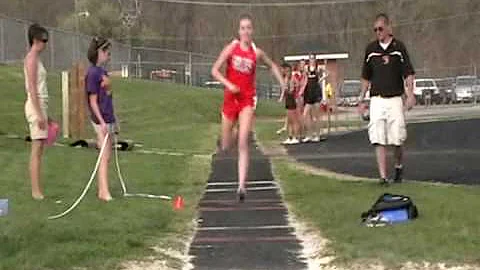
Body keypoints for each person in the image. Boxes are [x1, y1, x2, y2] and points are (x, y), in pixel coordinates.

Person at [211, 13, 285, 202]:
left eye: (248, 28)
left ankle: (241, 186)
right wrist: (229, 85)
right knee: (226, 146)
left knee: (244, 141)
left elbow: (272, 65)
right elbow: (214, 70)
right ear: (239, 31)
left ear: (252, 31)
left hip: (247, 100)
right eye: (242, 28)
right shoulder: (232, 48)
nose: (246, 31)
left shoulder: (256, 52)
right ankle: (231, 134)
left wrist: (282, 83)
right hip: (230, 98)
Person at [358, 13, 416, 184]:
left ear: (389, 28)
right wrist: (361, 99)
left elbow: (408, 74)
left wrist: (410, 95)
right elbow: (365, 77)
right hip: (377, 99)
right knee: (378, 137)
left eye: (381, 29)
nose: (378, 32)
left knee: (397, 139)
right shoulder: (370, 50)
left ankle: (398, 166)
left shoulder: (399, 48)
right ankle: (383, 177)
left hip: (395, 98)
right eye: (375, 30)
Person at [85, 37, 116, 201]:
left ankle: (102, 190)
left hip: (108, 116)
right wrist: (102, 122)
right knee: (104, 154)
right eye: (106, 52)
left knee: (108, 154)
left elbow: (108, 96)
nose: (108, 56)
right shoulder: (92, 73)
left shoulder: (103, 72)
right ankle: (104, 192)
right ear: (99, 52)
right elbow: (92, 101)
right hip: (100, 119)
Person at [24, 23, 50, 200]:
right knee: (36, 148)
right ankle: (35, 191)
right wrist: (39, 114)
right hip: (35, 104)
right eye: (43, 40)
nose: (45, 43)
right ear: (35, 40)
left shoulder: (37, 59)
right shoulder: (31, 59)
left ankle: (37, 189)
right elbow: (32, 89)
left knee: (40, 148)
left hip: (42, 103)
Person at [302, 54, 328, 143]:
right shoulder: (306, 68)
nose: (311, 60)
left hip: (316, 91)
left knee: (316, 115)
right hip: (309, 91)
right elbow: (305, 79)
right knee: (305, 114)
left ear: (315, 59)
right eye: (310, 59)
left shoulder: (318, 67)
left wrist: (321, 79)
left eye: (313, 58)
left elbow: (327, 73)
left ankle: (317, 135)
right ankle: (309, 135)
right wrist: (302, 90)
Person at [278, 63, 300, 145]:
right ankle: (290, 137)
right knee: (289, 120)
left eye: (287, 71)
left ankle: (295, 137)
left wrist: (294, 91)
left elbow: (298, 85)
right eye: (285, 71)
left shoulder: (293, 78)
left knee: (294, 119)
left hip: (292, 98)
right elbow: (284, 88)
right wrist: (281, 97)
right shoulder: (286, 78)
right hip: (288, 98)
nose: (286, 72)